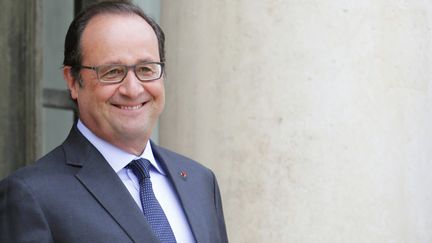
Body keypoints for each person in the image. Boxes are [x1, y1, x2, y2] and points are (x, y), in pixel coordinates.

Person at [0, 1, 228, 242]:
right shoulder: (32, 196)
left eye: (146, 69)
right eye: (112, 72)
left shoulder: (200, 182)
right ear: (72, 81)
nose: (132, 89)